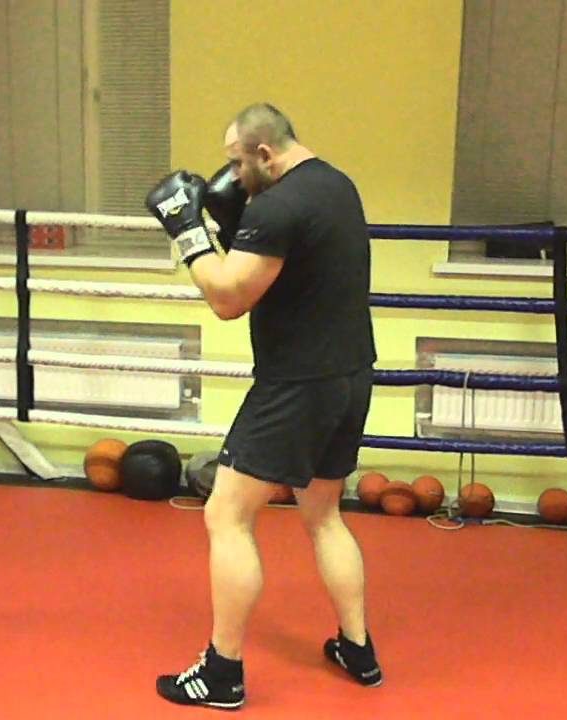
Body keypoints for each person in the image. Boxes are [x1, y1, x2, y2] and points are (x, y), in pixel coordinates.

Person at [145, 103, 382, 710]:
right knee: (323, 514)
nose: (229, 176)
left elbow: (228, 298)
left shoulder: (277, 207)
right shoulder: (338, 185)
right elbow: (286, 269)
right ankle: (358, 648)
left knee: (226, 515)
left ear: (265, 154)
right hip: (351, 375)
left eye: (236, 163)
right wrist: (233, 228)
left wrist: (189, 232)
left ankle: (221, 672)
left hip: (296, 387)